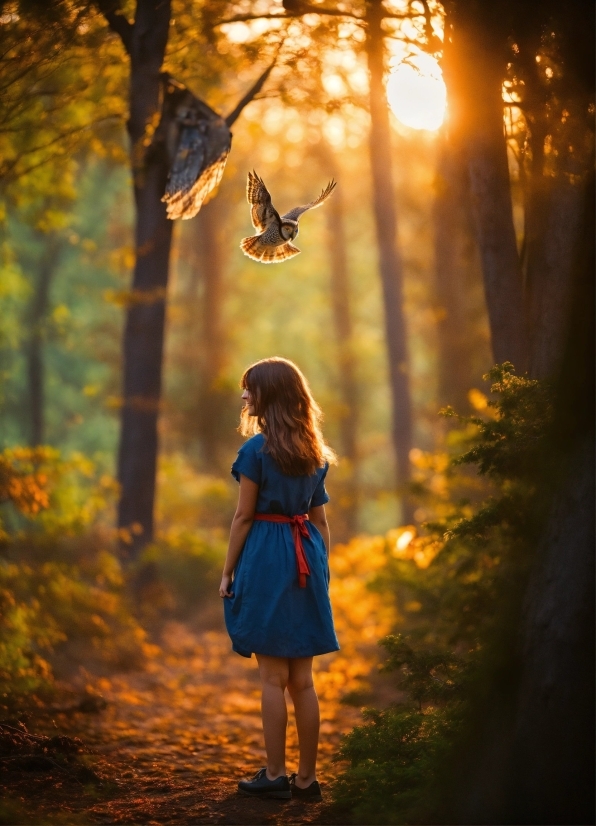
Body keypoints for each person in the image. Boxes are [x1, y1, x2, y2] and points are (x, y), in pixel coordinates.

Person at [219, 357, 339, 801]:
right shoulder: (315, 454)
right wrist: (322, 568)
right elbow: (320, 521)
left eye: (250, 388)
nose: (244, 396)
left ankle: (274, 775)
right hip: (305, 552)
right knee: (303, 681)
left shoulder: (255, 452)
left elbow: (244, 516)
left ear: (269, 394)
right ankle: (307, 781)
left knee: (272, 678)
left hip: (269, 555)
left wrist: (228, 570)